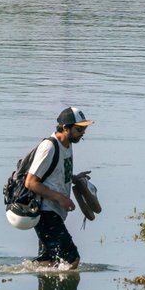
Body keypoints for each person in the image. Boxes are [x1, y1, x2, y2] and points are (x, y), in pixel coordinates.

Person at [24, 107, 94, 269]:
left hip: (54, 212)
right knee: (72, 259)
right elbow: (31, 182)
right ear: (65, 127)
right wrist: (61, 198)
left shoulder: (67, 145)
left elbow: (55, 173)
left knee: (48, 262)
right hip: (45, 213)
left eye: (84, 128)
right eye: (79, 129)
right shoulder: (49, 147)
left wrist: (74, 178)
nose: (82, 132)